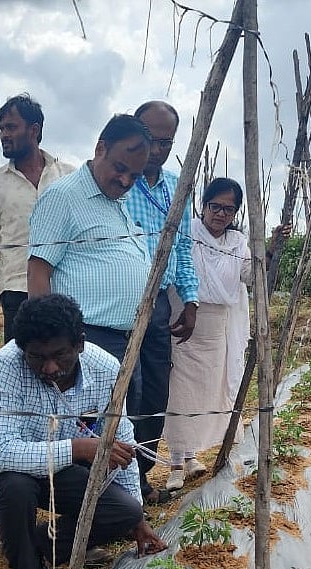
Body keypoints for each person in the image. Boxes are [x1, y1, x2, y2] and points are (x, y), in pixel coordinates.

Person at [0, 294, 168, 569]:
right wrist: (77, 448)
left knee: (124, 511)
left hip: (52, 466)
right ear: (21, 349)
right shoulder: (6, 365)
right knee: (16, 485)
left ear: (80, 344)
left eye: (60, 355)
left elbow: (121, 438)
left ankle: (40, 545)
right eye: (37, 358)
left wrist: (138, 519)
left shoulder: (106, 369)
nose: (50, 368)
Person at [27, 115, 151, 467]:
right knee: (91, 432)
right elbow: (38, 271)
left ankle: (123, 503)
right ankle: (93, 511)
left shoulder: (119, 205)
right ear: (100, 148)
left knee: (123, 424)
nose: (125, 180)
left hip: (127, 338)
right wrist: (47, 343)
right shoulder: (63, 198)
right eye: (119, 168)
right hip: (89, 339)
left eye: (135, 176)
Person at [163, 178, 290, 490]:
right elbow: (178, 270)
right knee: (180, 392)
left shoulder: (237, 242)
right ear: (203, 205)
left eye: (228, 209)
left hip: (218, 327)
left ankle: (192, 455)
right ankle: (176, 462)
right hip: (186, 321)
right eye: (215, 206)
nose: (220, 214)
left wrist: (271, 249)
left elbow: (249, 275)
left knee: (209, 390)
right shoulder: (188, 233)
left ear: (236, 212)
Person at [125, 100, 199, 503]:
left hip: (158, 306)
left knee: (155, 391)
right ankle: (123, 485)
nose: (156, 149)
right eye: (150, 139)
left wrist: (190, 301)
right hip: (120, 301)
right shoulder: (118, 181)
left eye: (165, 142)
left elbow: (183, 249)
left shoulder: (177, 186)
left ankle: (140, 475)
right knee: (125, 391)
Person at [0, 94, 74, 345]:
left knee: (66, 366)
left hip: (65, 288)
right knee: (24, 368)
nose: (4, 135)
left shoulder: (68, 177)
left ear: (34, 130)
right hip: (17, 291)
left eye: (11, 127)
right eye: (2, 128)